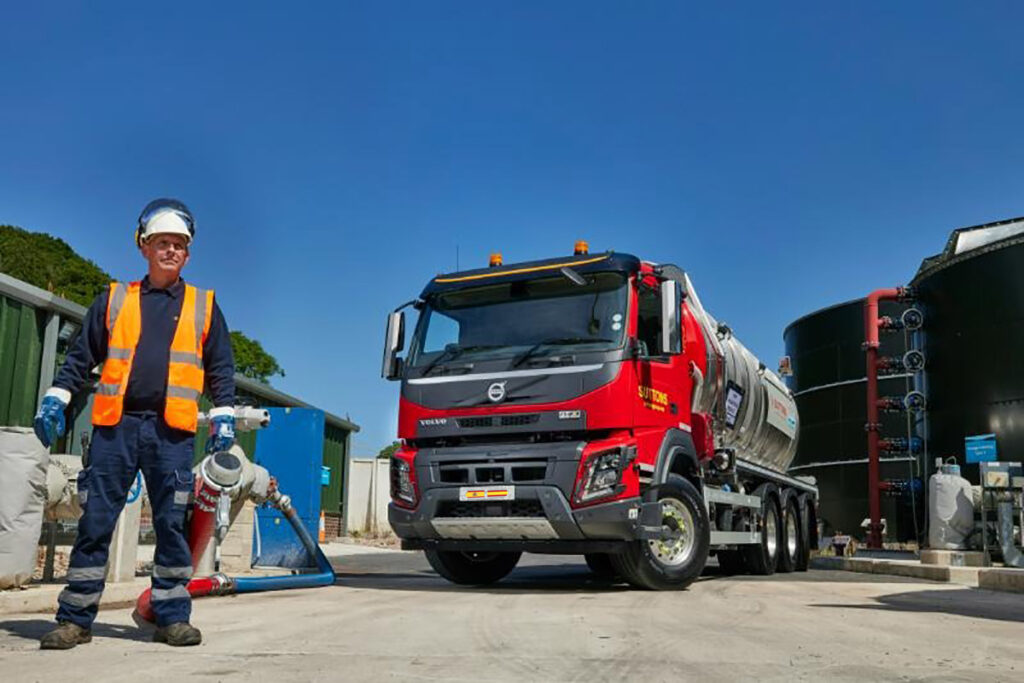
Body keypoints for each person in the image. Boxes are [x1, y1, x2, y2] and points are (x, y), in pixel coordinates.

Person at [33, 198, 236, 649]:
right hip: (116, 428)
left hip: (171, 433)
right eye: (162, 242)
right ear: (144, 247)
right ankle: (75, 619)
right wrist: (56, 398)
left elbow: (221, 367)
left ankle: (171, 617)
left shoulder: (204, 306)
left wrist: (223, 415)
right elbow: (80, 357)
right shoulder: (114, 300)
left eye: (179, 244)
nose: (171, 250)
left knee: (172, 524)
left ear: (188, 253)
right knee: (95, 522)